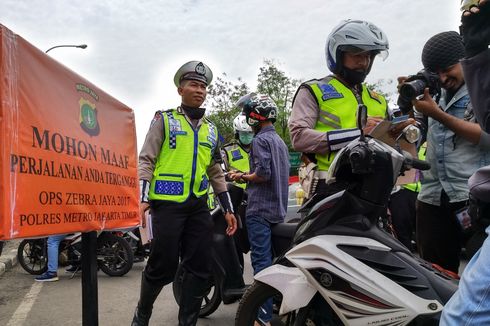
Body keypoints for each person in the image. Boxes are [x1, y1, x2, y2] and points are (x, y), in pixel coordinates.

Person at [132, 61, 237, 326]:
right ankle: (142, 314)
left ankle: (187, 322)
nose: (199, 90)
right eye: (194, 84)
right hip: (167, 205)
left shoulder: (212, 130)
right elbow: (146, 159)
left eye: (203, 86)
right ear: (181, 89)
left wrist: (228, 209)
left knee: (200, 267)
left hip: (199, 207)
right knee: (162, 265)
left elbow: (215, 171)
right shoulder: (164, 120)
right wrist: (144, 198)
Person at [289, 19, 410, 199]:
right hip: (329, 190)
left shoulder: (378, 100)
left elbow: (394, 142)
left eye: (369, 56)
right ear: (338, 54)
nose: (364, 62)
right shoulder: (314, 90)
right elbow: (298, 138)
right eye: (357, 54)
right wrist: (358, 134)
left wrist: (409, 109)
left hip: (375, 190)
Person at [403, 30, 490, 274]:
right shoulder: (432, 93)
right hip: (432, 198)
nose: (442, 78)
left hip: (474, 198)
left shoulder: (483, 89)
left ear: (466, 61)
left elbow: (487, 139)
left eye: (447, 69)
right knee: (434, 277)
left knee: (481, 281)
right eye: (435, 72)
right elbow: (421, 134)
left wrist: (438, 114)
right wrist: (406, 124)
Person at [441, 0, 490, 323]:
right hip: (439, 197)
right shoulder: (439, 93)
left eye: (449, 68)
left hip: (469, 195)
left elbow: (485, 134)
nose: (444, 77)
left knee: (460, 317)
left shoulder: (469, 87)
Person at [229, 93, 289, 326]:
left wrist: (241, 176)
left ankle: (261, 318)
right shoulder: (280, 142)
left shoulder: (259, 141)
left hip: (260, 210)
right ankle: (275, 307)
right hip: (278, 210)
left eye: (247, 114)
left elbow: (262, 174)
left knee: (262, 264)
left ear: (254, 115)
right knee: (275, 263)